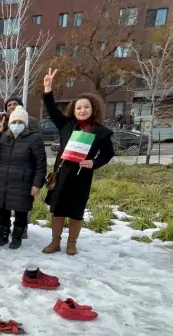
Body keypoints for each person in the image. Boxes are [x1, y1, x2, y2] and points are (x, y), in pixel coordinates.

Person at [42, 68, 115, 255]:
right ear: (73, 111)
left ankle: (71, 243)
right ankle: (55, 242)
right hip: (62, 174)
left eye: (86, 107)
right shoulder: (66, 125)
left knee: (76, 211)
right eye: (79, 107)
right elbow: (51, 109)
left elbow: (108, 154)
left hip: (81, 177)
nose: (82, 110)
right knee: (57, 209)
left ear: (93, 109)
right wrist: (48, 88)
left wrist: (94, 163)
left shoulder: (100, 131)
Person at [0, 107, 47, 249]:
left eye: (20, 122)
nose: (16, 125)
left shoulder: (34, 138)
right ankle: (2, 235)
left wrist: (36, 184)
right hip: (2, 181)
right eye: (14, 121)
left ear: (25, 123)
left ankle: (17, 237)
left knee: (20, 212)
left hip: (23, 183)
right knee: (3, 211)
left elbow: (40, 164)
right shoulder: (4, 135)